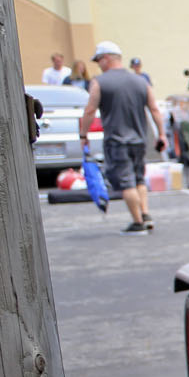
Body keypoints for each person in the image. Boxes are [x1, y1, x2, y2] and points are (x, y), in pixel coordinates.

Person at [79, 41, 167, 234]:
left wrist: (83, 134)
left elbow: (90, 110)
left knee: (127, 183)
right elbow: (154, 109)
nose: (98, 65)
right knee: (139, 180)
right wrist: (161, 134)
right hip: (139, 140)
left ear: (107, 58)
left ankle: (137, 223)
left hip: (117, 141)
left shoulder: (99, 82)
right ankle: (145, 214)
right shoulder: (140, 81)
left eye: (99, 60)